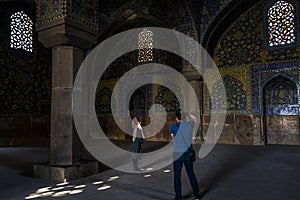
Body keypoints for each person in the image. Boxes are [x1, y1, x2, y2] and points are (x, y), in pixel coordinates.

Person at [170, 109, 199, 200]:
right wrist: (188, 114)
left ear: (176, 118)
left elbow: (172, 138)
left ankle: (178, 197)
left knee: (177, 176)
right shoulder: (189, 125)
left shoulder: (173, 127)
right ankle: (196, 195)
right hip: (188, 154)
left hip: (177, 154)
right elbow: (196, 120)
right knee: (191, 174)